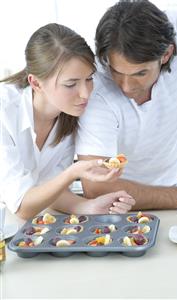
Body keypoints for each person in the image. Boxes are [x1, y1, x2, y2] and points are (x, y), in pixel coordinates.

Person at [0, 23, 135, 220]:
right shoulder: (4, 111)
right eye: (71, 84)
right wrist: (74, 172)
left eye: (89, 79)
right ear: (36, 83)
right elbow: (23, 206)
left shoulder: (72, 112)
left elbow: (50, 191)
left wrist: (90, 207)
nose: (85, 93)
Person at [76, 0, 177, 209]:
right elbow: (96, 187)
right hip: (121, 201)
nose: (126, 87)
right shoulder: (94, 85)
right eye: (116, 71)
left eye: (140, 73)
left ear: (166, 54)